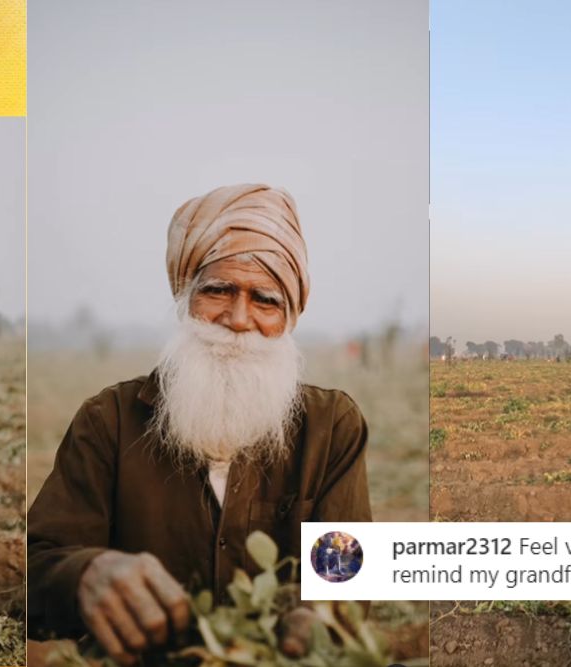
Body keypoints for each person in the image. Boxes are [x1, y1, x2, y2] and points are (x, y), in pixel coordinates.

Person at [26, 183, 372, 664]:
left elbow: (346, 569)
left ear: (289, 317)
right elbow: (35, 566)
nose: (237, 318)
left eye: (265, 300)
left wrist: (317, 617)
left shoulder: (332, 427)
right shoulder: (108, 421)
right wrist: (86, 572)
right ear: (185, 297)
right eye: (218, 290)